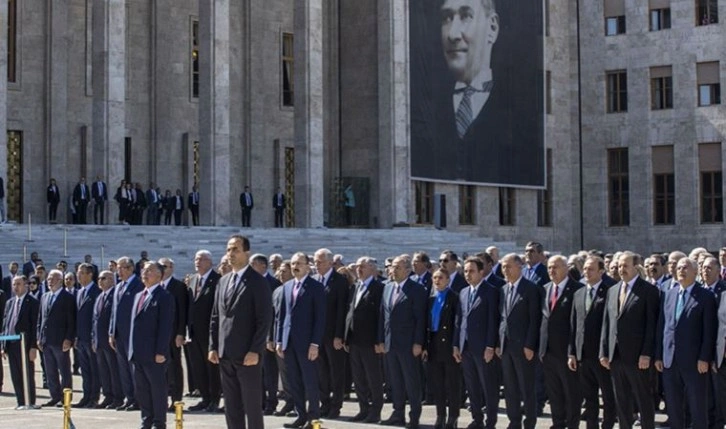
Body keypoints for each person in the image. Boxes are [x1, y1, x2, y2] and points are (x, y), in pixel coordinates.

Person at [209, 235, 273, 429]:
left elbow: (264, 319)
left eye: (235, 249)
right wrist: (213, 346)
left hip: (248, 354)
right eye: (228, 250)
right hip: (225, 353)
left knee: (252, 405)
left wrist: (255, 349)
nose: (231, 254)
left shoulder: (257, 282)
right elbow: (215, 317)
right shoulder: (223, 281)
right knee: (231, 405)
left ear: (247, 253)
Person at [600, 252, 660, 429]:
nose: (621, 269)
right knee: (622, 399)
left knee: (643, 398)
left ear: (636, 267)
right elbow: (607, 323)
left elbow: (652, 325)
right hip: (616, 356)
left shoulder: (648, 291)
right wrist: (604, 352)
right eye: (619, 266)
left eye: (625, 266)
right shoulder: (613, 290)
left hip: (638, 357)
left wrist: (646, 353)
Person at [276, 252, 326, 429]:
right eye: (293, 263)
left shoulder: (316, 287)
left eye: (299, 263)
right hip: (288, 342)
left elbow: (320, 318)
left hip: (307, 343)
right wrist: (279, 340)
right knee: (294, 381)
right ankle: (300, 415)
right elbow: (282, 316)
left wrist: (315, 343)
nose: (295, 266)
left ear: (308, 266)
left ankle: (313, 418)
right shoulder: (287, 286)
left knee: (309, 381)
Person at [377, 256, 427, 429]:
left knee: (411, 381)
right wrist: (381, 339)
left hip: (408, 344)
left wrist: (418, 342)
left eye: (397, 267)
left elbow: (420, 318)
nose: (393, 270)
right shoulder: (387, 288)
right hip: (391, 342)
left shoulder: (417, 289)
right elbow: (383, 316)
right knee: (395, 381)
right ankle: (397, 413)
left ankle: (414, 416)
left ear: (407, 270)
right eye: (392, 267)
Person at [568, 256, 617, 429]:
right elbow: (574, 326)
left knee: (608, 396)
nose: (586, 272)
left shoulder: (610, 291)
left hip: (602, 355)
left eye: (591, 269)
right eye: (585, 269)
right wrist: (572, 352)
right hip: (583, 355)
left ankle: (608, 425)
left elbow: (611, 325)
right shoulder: (579, 292)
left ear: (601, 272)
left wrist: (607, 352)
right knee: (589, 397)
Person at [454, 257, 499, 429]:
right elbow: (459, 320)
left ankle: (491, 421)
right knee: (471, 385)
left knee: (488, 385)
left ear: (481, 272)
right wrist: (456, 344)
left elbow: (492, 320)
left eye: (471, 271)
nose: (468, 274)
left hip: (482, 347)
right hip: (465, 347)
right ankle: (477, 418)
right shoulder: (464, 292)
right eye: (465, 271)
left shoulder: (491, 291)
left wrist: (490, 346)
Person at [129, 261, 174, 429]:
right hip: (138, 353)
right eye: (143, 270)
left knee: (157, 389)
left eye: (149, 271)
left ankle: (159, 422)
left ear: (159, 275)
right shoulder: (138, 295)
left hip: (155, 353)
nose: (144, 273)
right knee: (142, 390)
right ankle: (146, 419)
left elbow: (165, 326)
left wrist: (161, 351)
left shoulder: (164, 296)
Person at [498, 253, 541, 429]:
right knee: (510, 388)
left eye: (508, 266)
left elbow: (534, 319)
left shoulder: (530, 288)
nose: (505, 270)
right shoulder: (503, 289)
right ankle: (514, 421)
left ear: (519, 266)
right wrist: (497, 343)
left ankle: (529, 422)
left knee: (527, 388)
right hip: (506, 346)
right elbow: (501, 318)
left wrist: (530, 345)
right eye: (502, 267)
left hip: (523, 347)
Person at [539, 255, 582, 429]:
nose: (551, 271)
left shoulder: (577, 289)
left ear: (566, 269)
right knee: (554, 391)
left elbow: (577, 324)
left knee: (571, 392)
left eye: (555, 267)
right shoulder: (545, 289)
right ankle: (558, 423)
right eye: (549, 267)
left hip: (566, 351)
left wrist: (572, 351)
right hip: (548, 351)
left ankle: (572, 424)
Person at [344, 257, 384, 423]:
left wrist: (379, 340)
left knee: (373, 378)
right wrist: (346, 337)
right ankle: (363, 409)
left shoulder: (379, 288)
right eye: (358, 266)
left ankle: (375, 411)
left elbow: (381, 316)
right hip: (354, 341)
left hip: (370, 342)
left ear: (372, 269)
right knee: (358, 377)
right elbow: (350, 313)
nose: (358, 269)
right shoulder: (355, 287)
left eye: (362, 267)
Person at [312, 248, 349, 419]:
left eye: (320, 262)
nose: (316, 265)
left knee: (336, 372)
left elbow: (342, 310)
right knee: (321, 372)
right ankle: (324, 403)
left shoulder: (339, 281)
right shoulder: (314, 280)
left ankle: (336, 405)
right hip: (318, 336)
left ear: (329, 263)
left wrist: (339, 335)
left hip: (333, 335)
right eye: (315, 262)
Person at [187, 250, 222, 413]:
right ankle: (205, 397)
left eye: (201, 259)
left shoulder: (217, 280)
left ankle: (214, 399)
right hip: (194, 332)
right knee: (198, 367)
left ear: (209, 262)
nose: (197, 262)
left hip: (210, 332)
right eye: (196, 259)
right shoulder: (193, 280)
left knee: (212, 368)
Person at [426, 267, 461, 429]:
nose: (437, 281)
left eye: (440, 278)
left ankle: (452, 417)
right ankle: (440, 415)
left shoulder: (454, 297)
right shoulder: (431, 297)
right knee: (437, 383)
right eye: (434, 278)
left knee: (452, 383)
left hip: (448, 344)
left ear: (448, 280)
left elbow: (457, 324)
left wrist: (455, 345)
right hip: (433, 344)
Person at [37, 269, 76, 407]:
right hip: (46, 341)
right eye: (48, 279)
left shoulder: (68, 298)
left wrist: (68, 338)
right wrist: (39, 337)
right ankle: (54, 396)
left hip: (60, 340)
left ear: (60, 280)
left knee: (64, 370)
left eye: (53, 279)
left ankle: (66, 398)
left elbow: (71, 320)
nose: (50, 281)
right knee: (50, 370)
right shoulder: (44, 297)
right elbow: (41, 319)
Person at [109, 256, 143, 411]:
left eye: (122, 268)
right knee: (123, 369)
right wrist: (111, 332)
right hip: (119, 335)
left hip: (133, 334)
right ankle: (129, 398)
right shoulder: (118, 286)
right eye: (117, 268)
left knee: (134, 368)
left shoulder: (139, 285)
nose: (119, 271)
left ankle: (138, 398)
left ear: (131, 268)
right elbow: (114, 312)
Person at [1, 275, 39, 408]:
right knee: (15, 375)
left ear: (26, 285)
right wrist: (3, 346)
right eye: (14, 284)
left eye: (18, 284)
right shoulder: (10, 302)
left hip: (25, 345)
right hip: (11, 344)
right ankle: (20, 401)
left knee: (27, 374)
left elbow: (35, 326)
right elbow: (6, 324)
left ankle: (30, 401)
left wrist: (33, 346)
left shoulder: (32, 302)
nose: (15, 287)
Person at [157, 257, 189, 410]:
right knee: (160, 367)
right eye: (160, 266)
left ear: (172, 268)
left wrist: (180, 333)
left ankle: (176, 399)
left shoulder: (178, 286)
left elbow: (182, 311)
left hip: (173, 333)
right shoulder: (156, 286)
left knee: (175, 366)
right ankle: (163, 397)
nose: (163, 269)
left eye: (166, 266)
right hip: (158, 335)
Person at [93, 270, 124, 409]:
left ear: (112, 279)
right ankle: (108, 395)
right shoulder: (100, 296)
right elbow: (94, 320)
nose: (100, 280)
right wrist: (94, 339)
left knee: (113, 370)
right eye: (99, 278)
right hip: (99, 341)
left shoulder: (114, 295)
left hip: (109, 340)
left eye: (103, 278)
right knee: (103, 370)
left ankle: (118, 397)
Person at [73, 263, 101, 408]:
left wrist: (93, 337)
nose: (78, 275)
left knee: (94, 369)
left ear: (90, 274)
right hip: (81, 338)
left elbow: (95, 318)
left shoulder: (96, 292)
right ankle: (86, 395)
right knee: (84, 370)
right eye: (78, 272)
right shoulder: (78, 292)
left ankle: (94, 397)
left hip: (91, 338)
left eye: (82, 272)